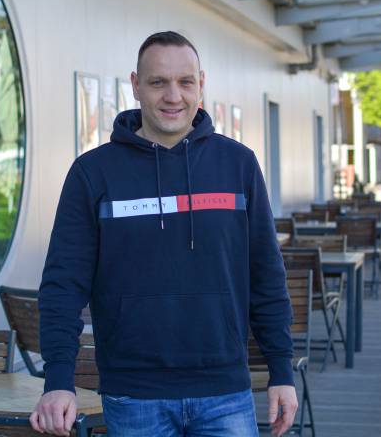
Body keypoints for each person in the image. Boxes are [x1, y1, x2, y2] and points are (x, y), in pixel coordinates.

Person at [30, 31, 297, 436]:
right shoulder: (92, 173)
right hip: (134, 395)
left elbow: (266, 275)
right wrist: (58, 382)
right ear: (136, 85)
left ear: (200, 84)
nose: (174, 96)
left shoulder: (238, 164)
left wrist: (281, 369)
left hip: (225, 391)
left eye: (185, 82)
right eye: (158, 82)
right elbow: (63, 285)